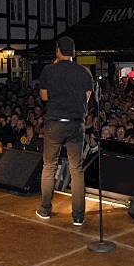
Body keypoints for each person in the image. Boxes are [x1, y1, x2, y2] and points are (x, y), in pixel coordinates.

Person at [36, 36, 93, 226]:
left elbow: (44, 96)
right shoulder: (84, 72)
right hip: (76, 124)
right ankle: (78, 216)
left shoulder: (49, 70)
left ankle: (45, 209)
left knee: (49, 166)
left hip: (54, 123)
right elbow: (87, 97)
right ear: (73, 53)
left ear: (58, 50)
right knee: (76, 169)